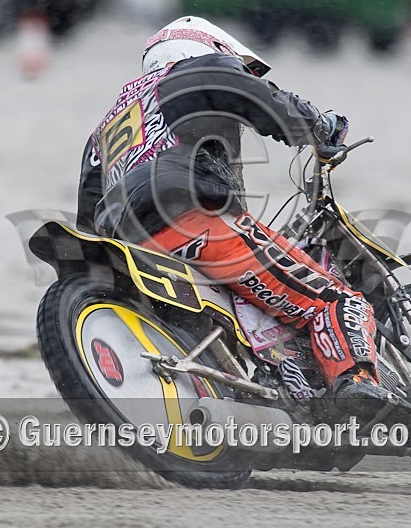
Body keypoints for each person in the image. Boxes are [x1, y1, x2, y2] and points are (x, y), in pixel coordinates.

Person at [76, 16, 393, 421]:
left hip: (129, 242)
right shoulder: (196, 67)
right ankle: (358, 384)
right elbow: (263, 100)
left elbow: (88, 206)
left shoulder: (105, 128)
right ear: (213, 48)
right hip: (190, 216)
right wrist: (319, 126)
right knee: (334, 300)